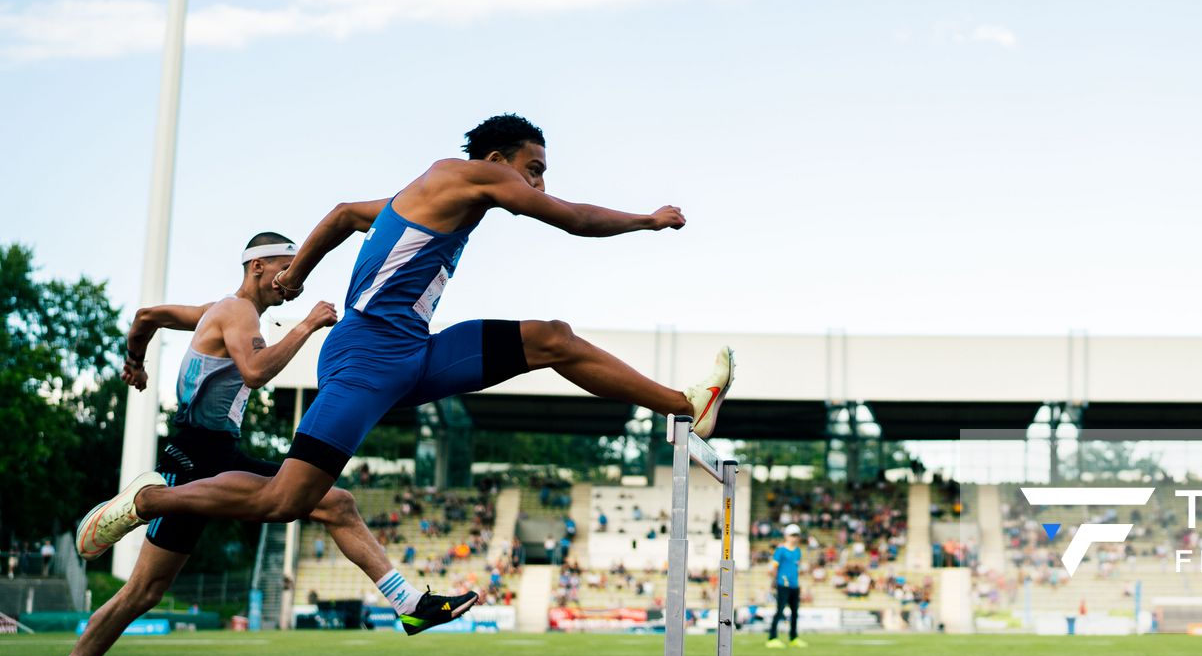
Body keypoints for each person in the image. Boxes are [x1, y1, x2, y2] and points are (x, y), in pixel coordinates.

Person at [75, 114, 735, 582]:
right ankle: (149, 501)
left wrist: (300, 271)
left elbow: (340, 214)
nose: (534, 186)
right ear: (497, 161)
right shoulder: (466, 174)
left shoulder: (422, 196)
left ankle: (685, 405)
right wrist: (645, 221)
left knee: (551, 340)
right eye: (532, 170)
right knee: (284, 501)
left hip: (412, 355)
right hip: (363, 360)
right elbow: (570, 217)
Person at [29, 233, 469, 656]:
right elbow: (256, 373)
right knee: (140, 595)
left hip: (215, 455)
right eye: (286, 269)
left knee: (336, 503)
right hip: (197, 460)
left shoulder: (216, 309)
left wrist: (135, 361)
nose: (293, 279)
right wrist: (306, 325)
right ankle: (142, 507)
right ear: (257, 266)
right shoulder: (238, 312)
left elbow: (146, 315)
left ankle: (408, 604)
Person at [767, 523, 805, 648]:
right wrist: (776, 581)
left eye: (796, 535)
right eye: (792, 535)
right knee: (779, 611)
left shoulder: (798, 551)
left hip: (795, 585)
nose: (794, 538)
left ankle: (793, 637)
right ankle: (772, 638)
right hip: (783, 585)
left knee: (795, 612)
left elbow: (796, 567)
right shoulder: (781, 550)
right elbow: (772, 567)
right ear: (786, 536)